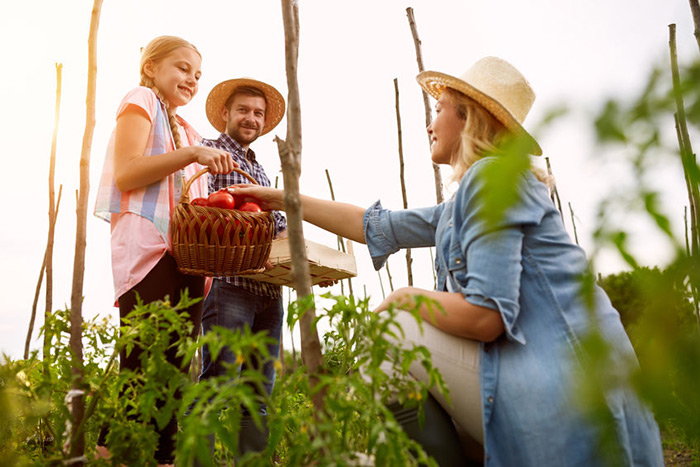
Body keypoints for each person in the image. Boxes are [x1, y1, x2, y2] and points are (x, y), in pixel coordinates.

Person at [232, 57, 665, 466]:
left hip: (566, 403)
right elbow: (374, 225)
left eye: (438, 109)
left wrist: (405, 297)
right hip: (564, 395)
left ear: (468, 118)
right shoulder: (472, 197)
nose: (428, 124)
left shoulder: (493, 180)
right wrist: (281, 199)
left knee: (392, 333)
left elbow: (486, 317)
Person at [93, 35, 236, 466]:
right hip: (150, 247)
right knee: (141, 362)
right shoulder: (141, 100)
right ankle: (111, 454)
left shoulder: (188, 129)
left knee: (173, 370)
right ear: (151, 67)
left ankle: (161, 458)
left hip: (188, 255)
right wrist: (192, 154)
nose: (191, 79)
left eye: (197, 74)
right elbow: (128, 172)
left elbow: (195, 199)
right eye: (182, 68)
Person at [198, 78, 288, 455]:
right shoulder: (207, 152)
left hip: (268, 290)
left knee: (258, 392)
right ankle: (193, 459)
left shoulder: (259, 168)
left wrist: (305, 269)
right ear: (225, 114)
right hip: (230, 285)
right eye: (243, 110)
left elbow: (278, 229)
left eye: (258, 113)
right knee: (218, 382)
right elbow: (198, 208)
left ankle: (251, 462)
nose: (251, 118)